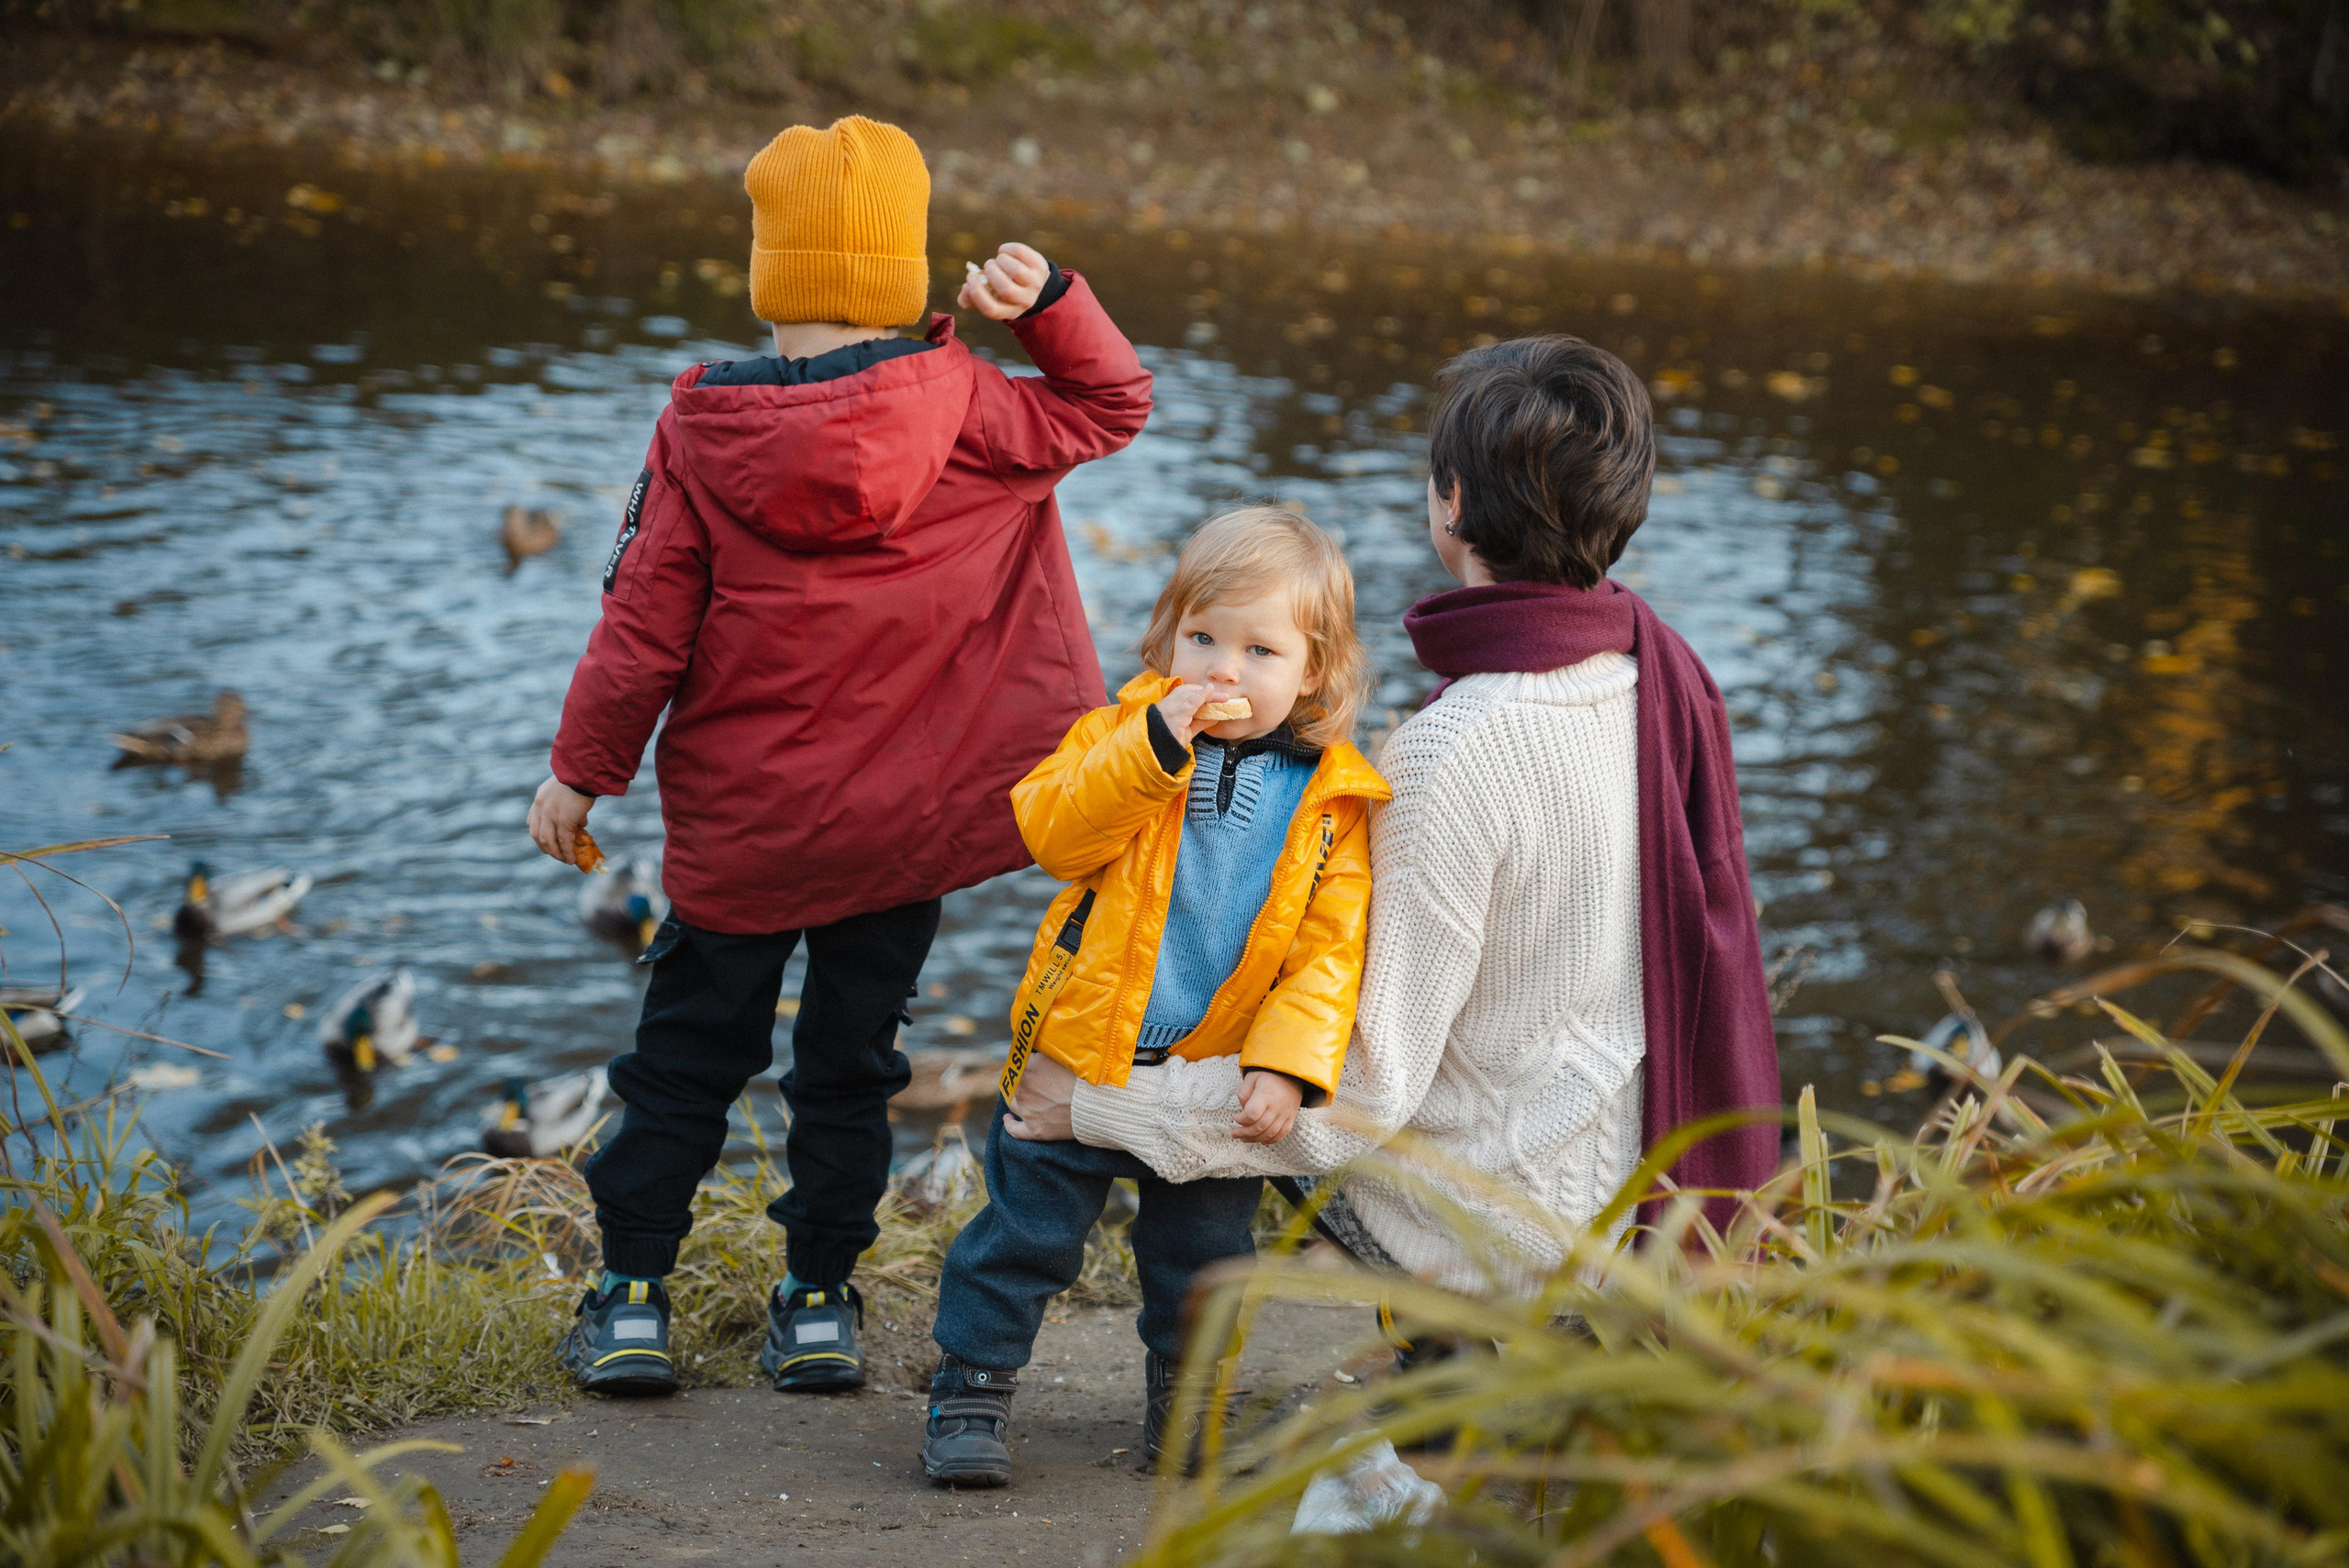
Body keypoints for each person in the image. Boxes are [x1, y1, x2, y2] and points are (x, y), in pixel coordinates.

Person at [523, 114, 1152, 1398]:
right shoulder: (974, 405)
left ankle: (633, 1295)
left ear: (773, 281)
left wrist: (579, 773)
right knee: (852, 1069)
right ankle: (816, 1302)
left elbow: (640, 629)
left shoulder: (704, 433)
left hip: (748, 841)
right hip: (902, 836)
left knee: (686, 1062)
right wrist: (1050, 305)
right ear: (905, 276)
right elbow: (1111, 405)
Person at [1008, 336, 1782, 1318]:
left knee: (1271, 1038)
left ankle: (1439, 1355)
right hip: (1629, 1187)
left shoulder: (1451, 747)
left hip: (1494, 1229)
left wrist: (1098, 1107)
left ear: (1449, 501)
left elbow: (1360, 1095)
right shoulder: (1654, 679)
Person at [918, 508, 1389, 1486]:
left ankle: (1187, 1408)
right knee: (1024, 1236)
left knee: (1202, 1259)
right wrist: (1150, 749)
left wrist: (1284, 1063)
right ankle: (971, 1382)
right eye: (1203, 637)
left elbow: (1327, 952)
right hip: (1082, 1051)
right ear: (1167, 635)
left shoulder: (1333, 801)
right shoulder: (1120, 736)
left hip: (1212, 1072)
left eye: (1260, 649)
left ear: (1313, 671)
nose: (1223, 667)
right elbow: (1054, 831)